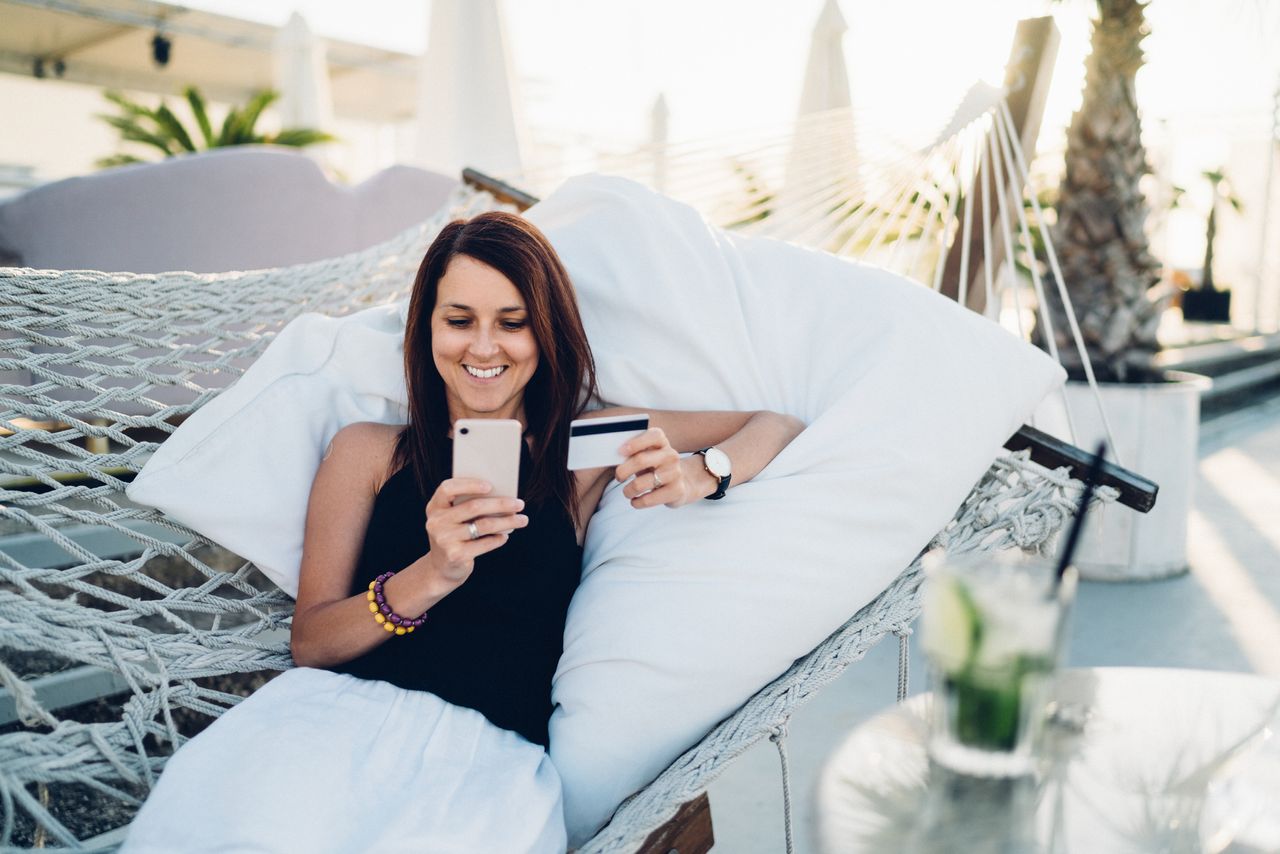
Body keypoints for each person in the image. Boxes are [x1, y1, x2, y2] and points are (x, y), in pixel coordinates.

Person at [121, 212, 805, 853]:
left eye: (512, 322)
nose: (483, 347)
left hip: (484, 767)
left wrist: (699, 475)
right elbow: (312, 642)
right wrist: (430, 576)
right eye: (459, 320)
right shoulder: (369, 452)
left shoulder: (578, 450)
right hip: (330, 727)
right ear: (426, 329)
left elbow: (773, 425)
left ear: (545, 333)